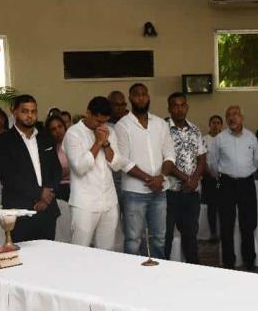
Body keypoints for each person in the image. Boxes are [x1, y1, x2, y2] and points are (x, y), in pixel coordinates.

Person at [115, 83, 176, 258]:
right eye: (136, 95)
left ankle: (157, 278)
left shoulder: (160, 124)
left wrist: (161, 177)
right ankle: (132, 279)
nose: (141, 98)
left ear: (148, 97)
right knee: (133, 240)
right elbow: (123, 161)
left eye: (144, 94)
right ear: (130, 99)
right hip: (134, 192)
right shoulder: (123, 125)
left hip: (160, 191)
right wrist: (151, 179)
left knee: (159, 239)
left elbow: (170, 155)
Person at [0, 94, 62, 242]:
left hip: (47, 210)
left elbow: (56, 170)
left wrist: (46, 197)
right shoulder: (2, 142)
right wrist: (39, 192)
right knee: (24, 259)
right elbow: (8, 178)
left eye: (33, 111)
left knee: (48, 257)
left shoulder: (45, 138)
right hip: (20, 211)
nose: (30, 116)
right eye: (25, 111)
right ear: (14, 112)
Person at [65, 96, 130, 250]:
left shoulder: (110, 132)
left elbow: (116, 164)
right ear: (88, 113)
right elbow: (80, 168)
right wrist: (97, 142)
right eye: (98, 121)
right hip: (84, 203)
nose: (102, 125)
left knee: (107, 250)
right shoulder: (73, 133)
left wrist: (106, 143)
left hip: (109, 200)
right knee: (80, 250)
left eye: (105, 121)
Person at [209, 105, 258, 270]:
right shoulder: (220, 139)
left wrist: (245, 172)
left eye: (236, 114)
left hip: (246, 184)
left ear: (242, 117)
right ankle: (229, 262)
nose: (232, 118)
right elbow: (213, 163)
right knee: (226, 224)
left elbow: (256, 161)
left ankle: (249, 261)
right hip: (227, 184)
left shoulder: (251, 137)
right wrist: (224, 177)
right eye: (229, 115)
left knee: (248, 224)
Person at [164, 92, 206, 263]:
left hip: (192, 193)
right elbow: (165, 161)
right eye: (175, 105)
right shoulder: (162, 129)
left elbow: (202, 158)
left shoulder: (195, 129)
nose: (179, 109)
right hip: (170, 192)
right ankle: (162, 273)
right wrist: (186, 179)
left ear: (187, 107)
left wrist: (194, 180)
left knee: (190, 236)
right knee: (165, 235)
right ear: (169, 108)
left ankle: (193, 273)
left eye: (182, 105)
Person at [202, 114, 224, 240]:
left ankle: (223, 232)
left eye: (218, 123)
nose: (215, 125)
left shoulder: (225, 139)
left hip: (223, 176)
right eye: (213, 122)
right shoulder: (204, 139)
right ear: (209, 124)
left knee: (223, 205)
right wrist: (210, 172)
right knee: (212, 206)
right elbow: (202, 159)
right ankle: (213, 232)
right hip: (209, 176)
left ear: (221, 125)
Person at [45, 113, 71, 201]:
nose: (58, 131)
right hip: (61, 188)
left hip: (79, 186)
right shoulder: (49, 150)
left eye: (60, 126)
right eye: (53, 129)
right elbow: (50, 175)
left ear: (64, 127)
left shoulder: (75, 143)